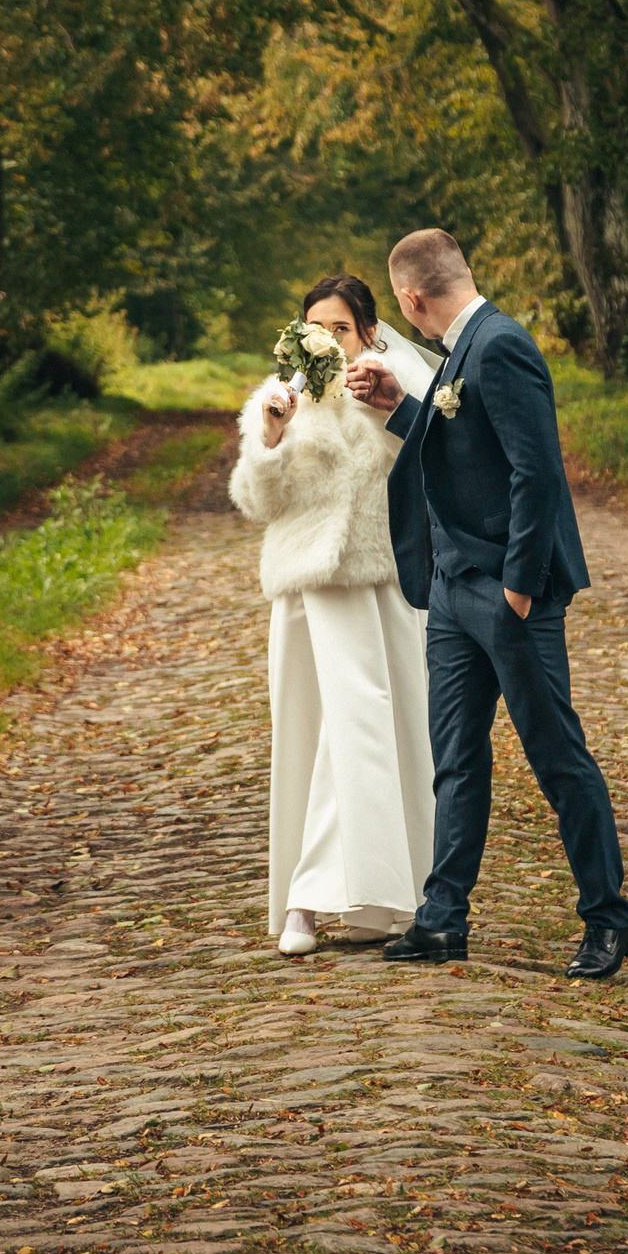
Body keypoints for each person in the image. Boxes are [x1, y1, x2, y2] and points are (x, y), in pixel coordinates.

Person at [344, 229, 628, 980]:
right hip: (450, 590)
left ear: (411, 299)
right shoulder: (459, 352)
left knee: (557, 757)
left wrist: (517, 585)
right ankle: (443, 918)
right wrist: (401, 406)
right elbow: (467, 444)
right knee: (457, 760)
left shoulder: (502, 345)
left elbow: (536, 472)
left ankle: (608, 920)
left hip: (510, 594)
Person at [229, 274, 445, 956]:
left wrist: (385, 407)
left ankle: (350, 896)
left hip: (378, 580)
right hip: (305, 588)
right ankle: (321, 893)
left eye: (341, 327)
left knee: (378, 733)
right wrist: (268, 436)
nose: (328, 339)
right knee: (314, 735)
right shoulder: (282, 397)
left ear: (367, 332)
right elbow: (256, 502)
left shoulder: (389, 384)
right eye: (315, 327)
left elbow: (426, 467)